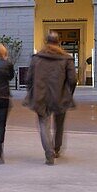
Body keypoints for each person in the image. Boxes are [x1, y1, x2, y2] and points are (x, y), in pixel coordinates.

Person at [25, 31, 77, 165]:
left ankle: (49, 153)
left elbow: (29, 78)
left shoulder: (36, 58)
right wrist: (69, 93)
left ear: (46, 42)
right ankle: (57, 149)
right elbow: (72, 80)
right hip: (60, 95)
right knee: (59, 124)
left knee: (43, 124)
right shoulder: (66, 59)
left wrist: (31, 92)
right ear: (59, 42)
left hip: (41, 96)